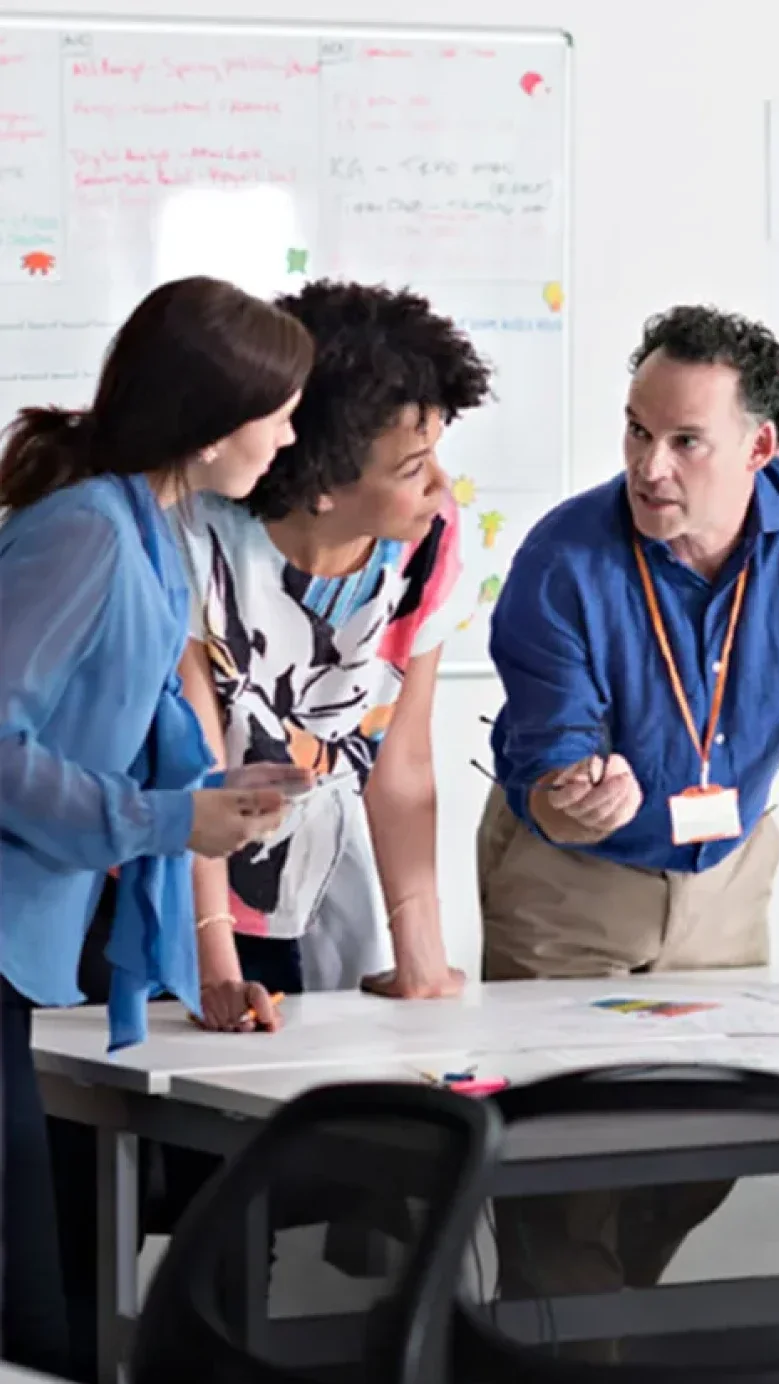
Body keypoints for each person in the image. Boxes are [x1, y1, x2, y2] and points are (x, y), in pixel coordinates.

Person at [478, 304, 779, 1384]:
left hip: (730, 876)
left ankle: (610, 1375)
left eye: (685, 441)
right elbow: (545, 767)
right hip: (569, 888)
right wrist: (575, 802)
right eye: (637, 433)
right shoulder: (563, 556)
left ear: (762, 448)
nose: (649, 466)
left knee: (699, 1154)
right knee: (565, 1191)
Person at [0, 274, 314, 1377]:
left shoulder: (147, 523)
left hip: (21, 949)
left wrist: (230, 784)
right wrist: (169, 816)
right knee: (28, 1329)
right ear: (210, 415)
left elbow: (128, 718)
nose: (287, 435)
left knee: (39, 1322)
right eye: (277, 411)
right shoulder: (87, 529)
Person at [173, 278, 492, 1021]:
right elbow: (188, 768)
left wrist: (419, 952)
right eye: (413, 469)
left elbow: (401, 762)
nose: (440, 488)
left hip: (311, 882)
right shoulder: (191, 539)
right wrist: (214, 968)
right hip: (174, 887)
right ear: (320, 484)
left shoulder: (430, 546)